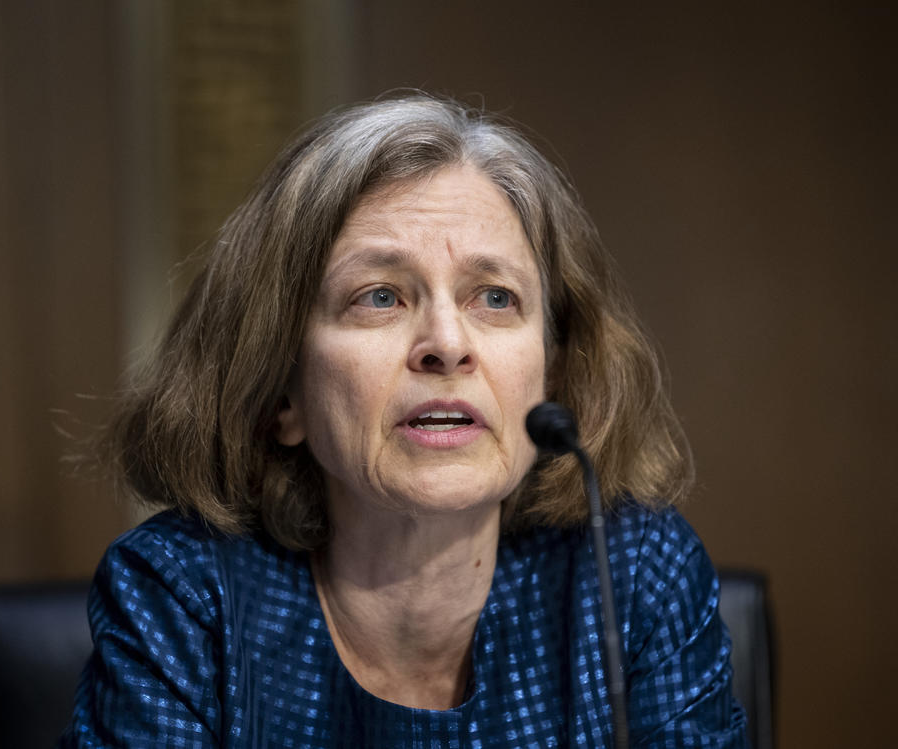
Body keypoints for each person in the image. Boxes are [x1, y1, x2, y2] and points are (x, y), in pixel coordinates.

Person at [60, 93, 747, 747]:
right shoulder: (184, 594)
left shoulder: (629, 577)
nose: (447, 343)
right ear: (280, 393)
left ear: (555, 376)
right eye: (380, 296)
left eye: (496, 297)